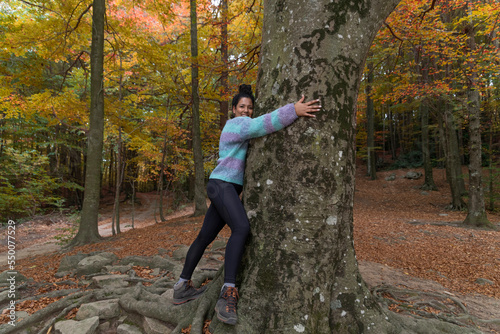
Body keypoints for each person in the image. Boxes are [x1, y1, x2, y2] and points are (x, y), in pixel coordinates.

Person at [173, 84, 320, 325]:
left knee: (204, 237)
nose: (247, 111)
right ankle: (228, 291)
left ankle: (182, 286)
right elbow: (262, 124)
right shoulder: (236, 124)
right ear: (233, 110)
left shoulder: (239, 126)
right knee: (241, 228)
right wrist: (294, 109)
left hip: (222, 186)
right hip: (223, 185)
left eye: (250, 107)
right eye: (242, 106)